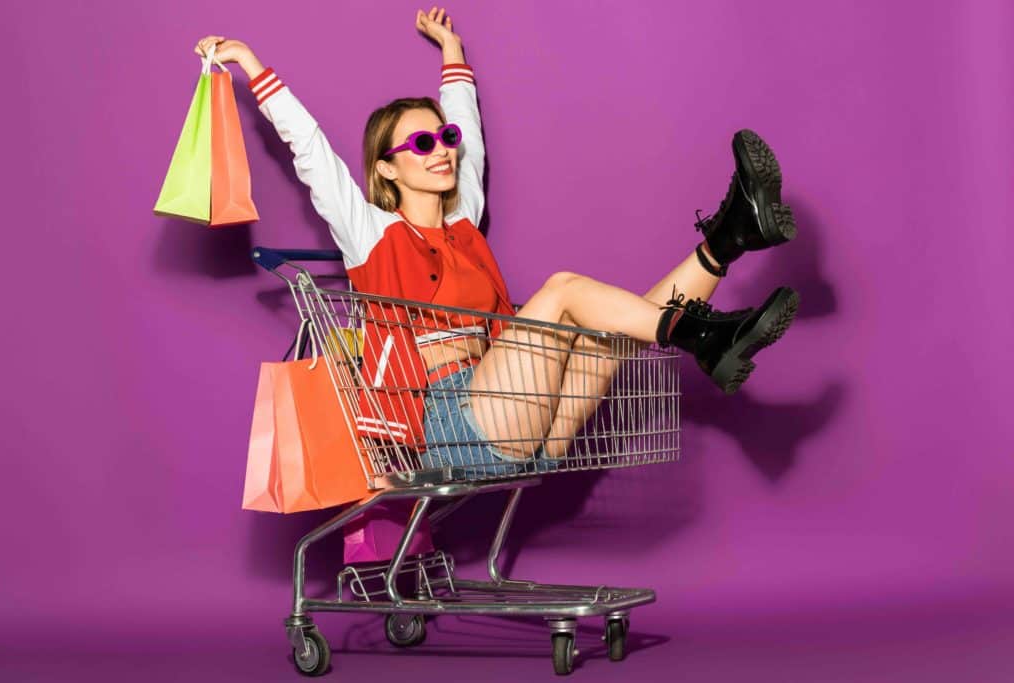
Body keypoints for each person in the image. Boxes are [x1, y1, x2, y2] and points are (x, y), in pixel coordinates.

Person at [195, 6, 799, 472]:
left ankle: (730, 237)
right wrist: (251, 65)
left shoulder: (464, 221)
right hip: (450, 424)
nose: (442, 151)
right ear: (385, 167)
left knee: (609, 330)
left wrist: (453, 53)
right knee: (563, 289)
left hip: (520, 412)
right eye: (421, 144)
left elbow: (472, 139)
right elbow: (311, 153)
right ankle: (703, 334)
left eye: (444, 137)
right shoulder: (370, 233)